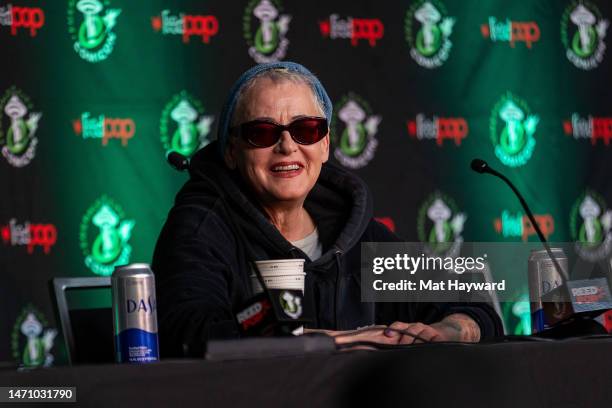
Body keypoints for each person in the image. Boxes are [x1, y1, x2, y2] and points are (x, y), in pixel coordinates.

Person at [152, 61, 503, 357]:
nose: (287, 146)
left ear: (325, 145)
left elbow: (476, 308)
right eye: (262, 132)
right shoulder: (200, 229)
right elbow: (189, 337)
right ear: (231, 151)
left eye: (306, 129)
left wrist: (449, 330)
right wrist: (345, 341)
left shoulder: (358, 233)